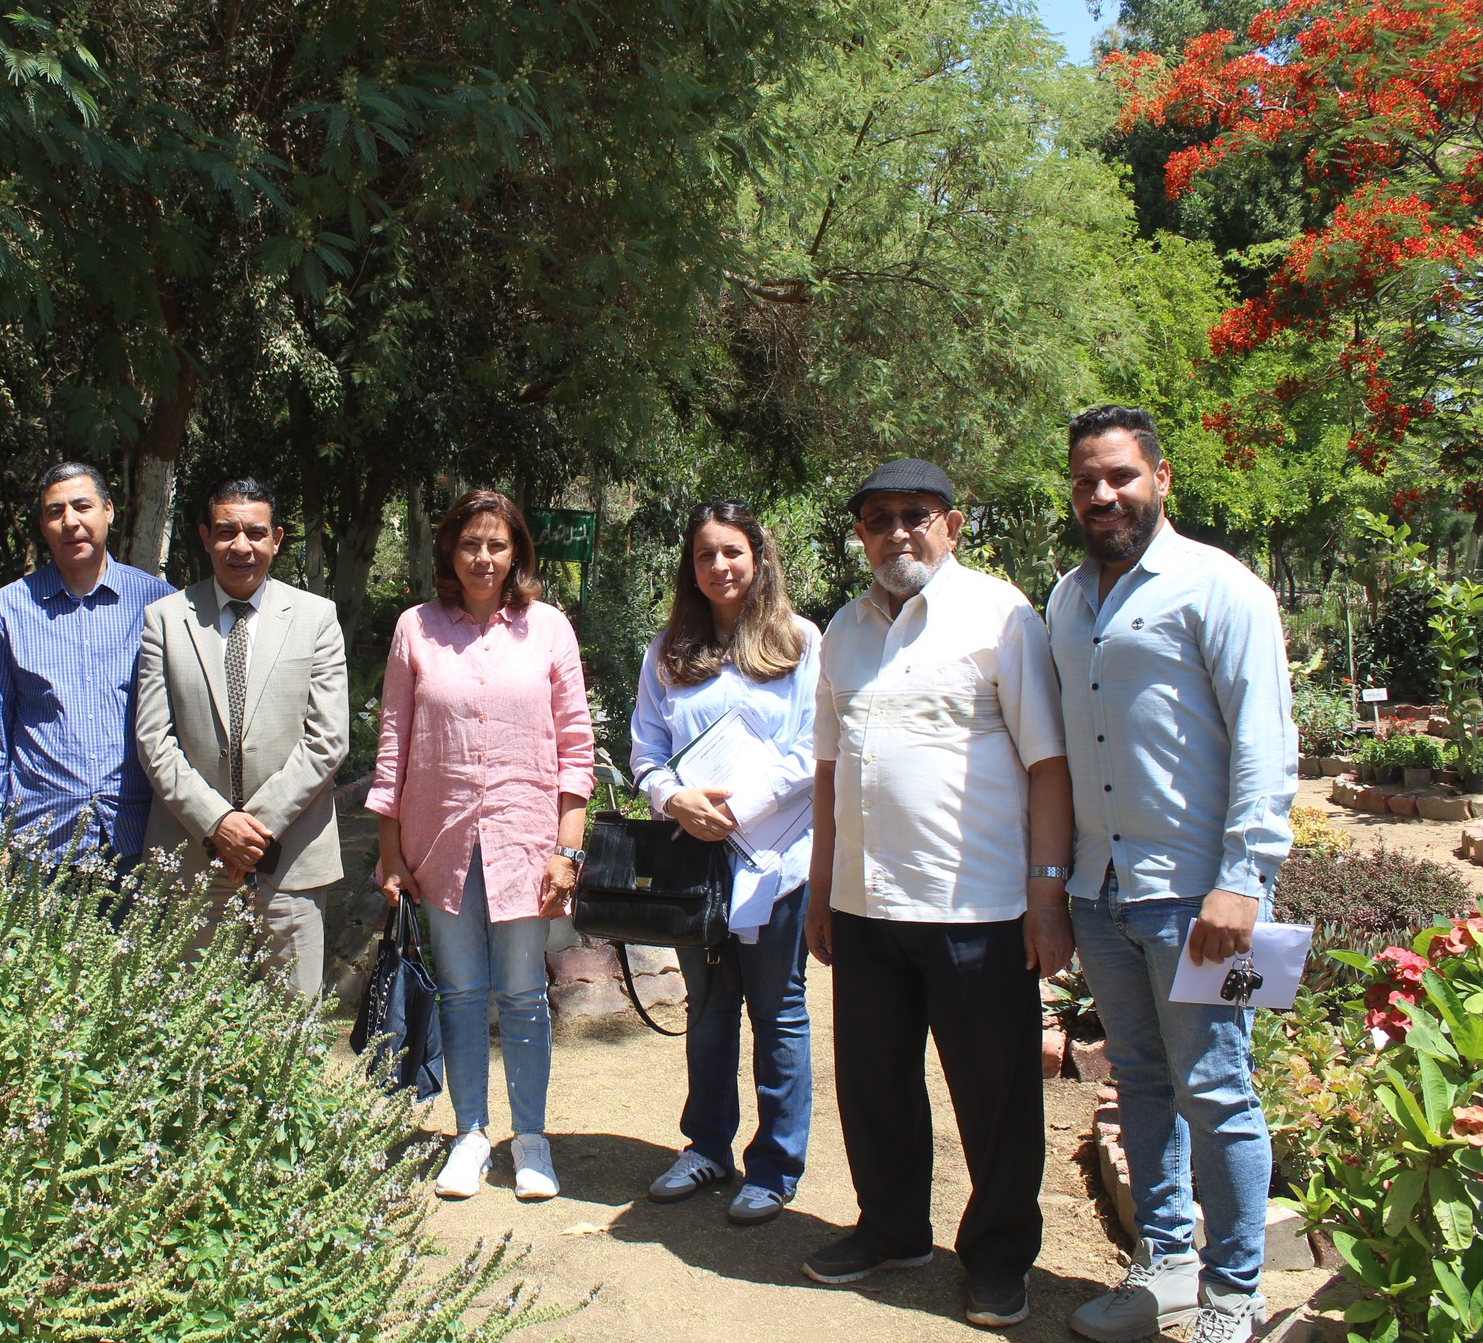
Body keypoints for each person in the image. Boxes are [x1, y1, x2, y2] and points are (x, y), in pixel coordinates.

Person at [802, 458, 1074, 1329]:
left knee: (995, 1097)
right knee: (874, 1082)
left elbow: (1049, 763)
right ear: (860, 534)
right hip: (865, 906)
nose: (896, 532)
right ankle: (891, 1229)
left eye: (914, 514)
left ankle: (998, 1256)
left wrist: (1046, 894)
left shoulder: (1001, 615)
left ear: (951, 526)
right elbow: (828, 771)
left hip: (978, 909)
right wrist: (820, 888)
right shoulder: (842, 631)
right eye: (877, 517)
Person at [1051, 406, 1295, 1343]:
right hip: (1103, 893)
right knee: (1141, 1083)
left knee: (1220, 1090)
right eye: (1086, 479)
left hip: (1206, 897)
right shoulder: (1067, 600)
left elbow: (1266, 743)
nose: (1103, 494)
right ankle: (1166, 1266)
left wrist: (1244, 881)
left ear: (1160, 477)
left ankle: (1237, 1293)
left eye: (1120, 474)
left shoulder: (1221, 588)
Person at [369, 488, 594, 1203]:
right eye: (470, 543)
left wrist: (567, 849)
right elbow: (393, 747)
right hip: (439, 843)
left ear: (517, 551)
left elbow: (576, 748)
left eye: (498, 544)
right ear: (449, 550)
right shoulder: (415, 628)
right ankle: (470, 1134)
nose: (484, 557)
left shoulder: (549, 629)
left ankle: (530, 1140)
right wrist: (390, 851)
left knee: (523, 993)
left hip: (526, 844)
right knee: (462, 992)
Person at [629, 500, 821, 1225]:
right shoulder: (667, 651)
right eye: (705, 554)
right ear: (691, 566)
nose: (719, 566)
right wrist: (673, 798)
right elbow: (645, 752)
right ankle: (707, 1145)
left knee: (779, 1012)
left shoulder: (801, 641)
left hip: (776, 861)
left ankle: (774, 1166)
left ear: (758, 557)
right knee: (709, 1011)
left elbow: (812, 749)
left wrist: (741, 808)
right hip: (698, 868)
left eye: (732, 551)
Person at [135, 476, 350, 996]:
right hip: (192, 858)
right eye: (226, 531)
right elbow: (154, 739)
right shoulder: (165, 619)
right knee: (191, 1024)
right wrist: (216, 823)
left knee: (289, 1026)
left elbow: (328, 738)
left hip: (291, 861)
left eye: (255, 533)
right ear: (205, 537)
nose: (241, 546)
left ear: (276, 539)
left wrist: (252, 830)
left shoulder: (316, 617)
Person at [0, 463, 175, 870]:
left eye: (82, 506)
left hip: (138, 833)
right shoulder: (8, 610)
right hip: (39, 840)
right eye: (55, 511)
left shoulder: (158, 603)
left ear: (108, 511)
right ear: (42, 526)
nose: (70, 522)